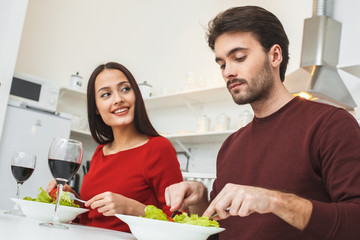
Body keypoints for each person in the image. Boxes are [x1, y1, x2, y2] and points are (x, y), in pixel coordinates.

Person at [165, 6, 360, 240]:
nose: (228, 71)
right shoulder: (230, 145)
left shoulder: (331, 124)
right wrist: (199, 203)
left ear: (275, 55)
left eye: (239, 58)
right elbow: (218, 233)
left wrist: (274, 200)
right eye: (222, 64)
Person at [47, 62, 183, 232]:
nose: (118, 99)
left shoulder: (158, 148)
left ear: (136, 95)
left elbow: (179, 223)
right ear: (96, 108)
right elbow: (92, 219)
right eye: (106, 94)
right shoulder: (100, 152)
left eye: (125, 89)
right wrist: (72, 201)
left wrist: (133, 209)